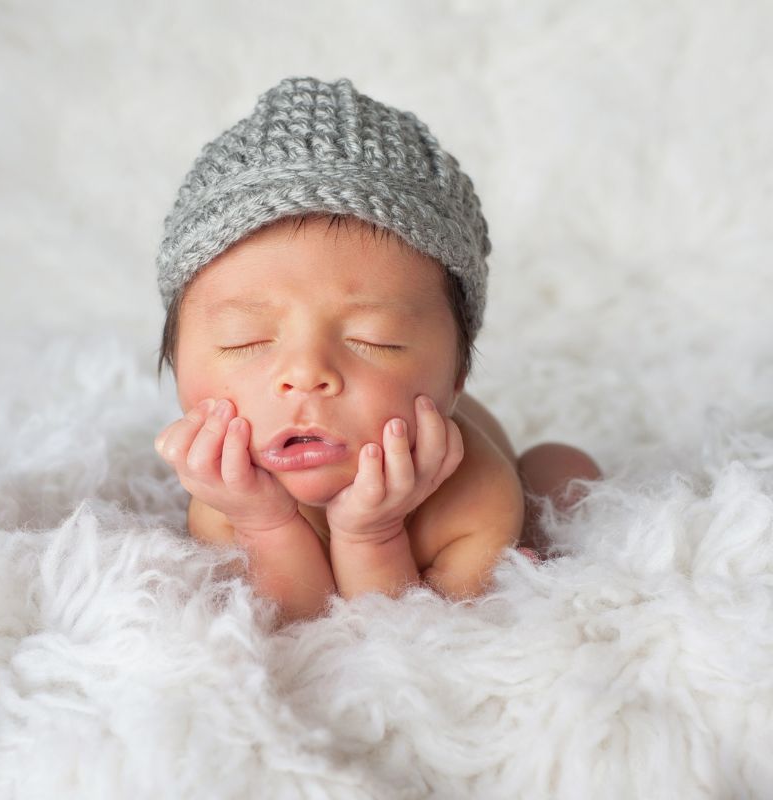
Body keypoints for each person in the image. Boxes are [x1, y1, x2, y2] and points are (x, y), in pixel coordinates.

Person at [153, 76, 601, 625]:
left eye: (374, 338)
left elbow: (407, 638)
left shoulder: (475, 497)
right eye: (243, 339)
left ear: (456, 377)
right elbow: (298, 624)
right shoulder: (226, 498)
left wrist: (372, 534)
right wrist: (264, 523)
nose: (306, 373)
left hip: (490, 499)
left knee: (561, 470)